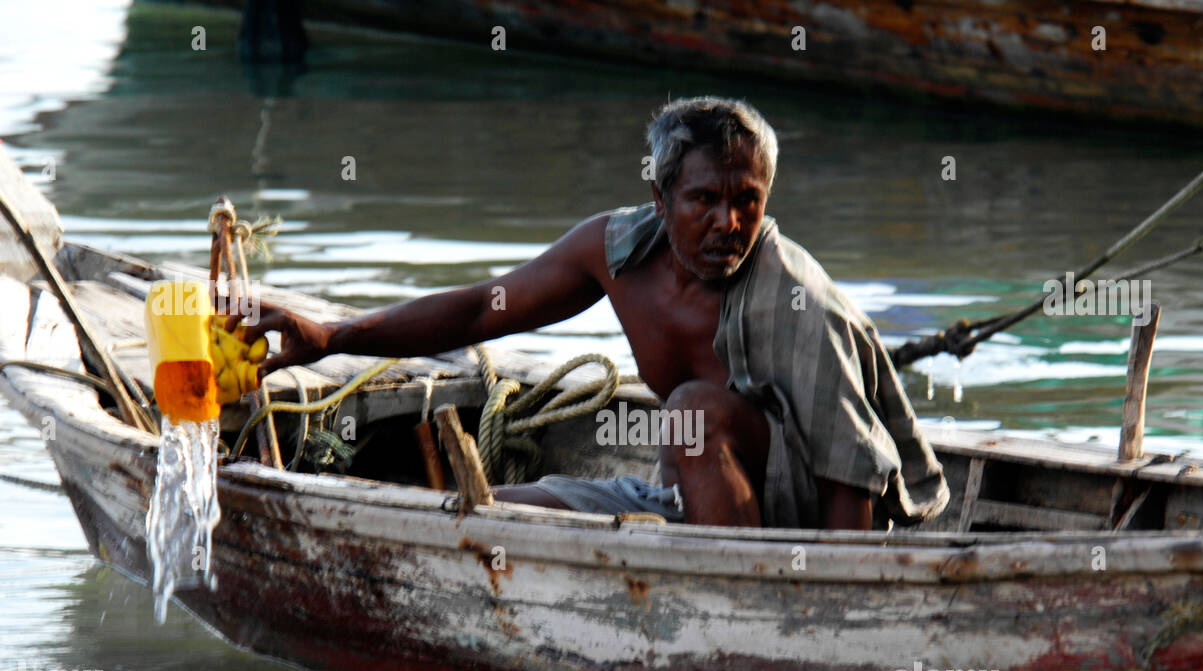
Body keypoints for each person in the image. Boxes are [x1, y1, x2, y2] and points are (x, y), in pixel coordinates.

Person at [240, 96, 948, 530]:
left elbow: (852, 475)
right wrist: (331, 335)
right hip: (681, 502)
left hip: (792, 531)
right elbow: (477, 313)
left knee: (696, 409)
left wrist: (817, 605)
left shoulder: (798, 296)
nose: (729, 221)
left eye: (748, 200)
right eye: (706, 199)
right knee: (485, 510)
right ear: (661, 194)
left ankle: (714, 597)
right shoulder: (614, 249)